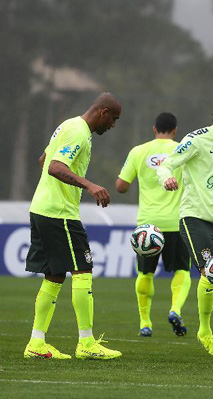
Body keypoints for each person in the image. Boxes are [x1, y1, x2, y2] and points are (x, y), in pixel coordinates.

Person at [24, 92, 122, 360]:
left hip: (42, 208)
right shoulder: (79, 132)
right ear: (102, 112)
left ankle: (36, 343)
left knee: (55, 275)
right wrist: (89, 185)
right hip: (59, 213)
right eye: (113, 119)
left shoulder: (66, 125)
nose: (113, 125)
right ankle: (86, 343)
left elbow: (44, 159)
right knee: (83, 270)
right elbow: (55, 166)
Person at [157, 99, 213, 357]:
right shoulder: (196, 140)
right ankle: (205, 333)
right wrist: (167, 178)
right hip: (194, 217)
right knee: (210, 271)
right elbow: (165, 164)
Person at [116, 112, 191, 338]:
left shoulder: (139, 151)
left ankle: (145, 323)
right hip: (176, 222)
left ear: (153, 128)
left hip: (147, 227)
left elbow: (121, 186)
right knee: (182, 270)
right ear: (175, 130)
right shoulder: (183, 149)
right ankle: (175, 309)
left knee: (145, 273)